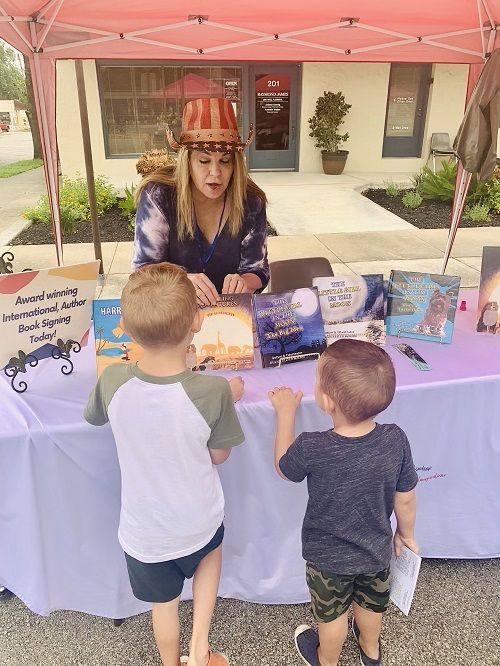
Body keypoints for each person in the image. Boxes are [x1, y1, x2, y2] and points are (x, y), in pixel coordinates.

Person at [84, 262, 245, 666]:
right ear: (196, 321)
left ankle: (173, 662)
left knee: (164, 606)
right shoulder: (213, 390)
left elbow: (95, 417)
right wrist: (229, 398)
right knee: (210, 556)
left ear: (125, 325)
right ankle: (200, 648)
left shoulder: (112, 381)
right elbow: (218, 455)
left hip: (144, 531)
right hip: (198, 517)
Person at [268, 339, 418, 666]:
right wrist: (405, 534)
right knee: (371, 605)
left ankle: (327, 658)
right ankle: (370, 650)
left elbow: (283, 467)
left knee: (331, 617)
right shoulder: (395, 438)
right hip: (376, 551)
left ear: (325, 401)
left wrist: (285, 413)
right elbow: (405, 498)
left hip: (327, 561)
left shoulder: (312, 446)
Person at [132, 97, 269, 307]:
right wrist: (182, 281)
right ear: (187, 161)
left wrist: (244, 282)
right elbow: (143, 271)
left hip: (231, 314)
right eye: (204, 161)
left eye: (225, 161)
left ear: (236, 164)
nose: (215, 173)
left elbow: (258, 270)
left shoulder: (251, 203)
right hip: (173, 313)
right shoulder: (159, 196)